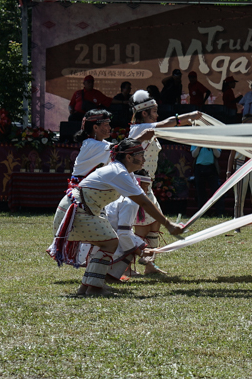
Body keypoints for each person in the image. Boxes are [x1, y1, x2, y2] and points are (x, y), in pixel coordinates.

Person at [48, 139, 182, 296]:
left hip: (81, 210)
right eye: (140, 155)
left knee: (109, 242)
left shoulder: (126, 173)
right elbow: (144, 202)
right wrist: (168, 224)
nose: (144, 159)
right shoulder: (119, 172)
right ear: (129, 158)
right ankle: (94, 288)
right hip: (76, 211)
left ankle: (87, 287)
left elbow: (143, 199)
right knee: (110, 242)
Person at [128, 90, 201, 271]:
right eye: (154, 111)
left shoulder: (144, 130)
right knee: (140, 227)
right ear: (144, 113)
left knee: (154, 224)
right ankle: (128, 267)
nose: (157, 114)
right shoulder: (139, 130)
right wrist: (189, 117)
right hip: (137, 185)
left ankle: (149, 265)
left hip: (146, 184)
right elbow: (166, 123)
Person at [104, 169, 152, 282]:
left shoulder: (119, 195)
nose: (146, 191)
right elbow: (123, 233)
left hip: (102, 238)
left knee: (136, 243)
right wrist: (139, 251)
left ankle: (108, 273)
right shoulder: (130, 202)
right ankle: (110, 276)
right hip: (107, 241)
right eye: (144, 187)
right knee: (133, 246)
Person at [191, 144, 223, 215]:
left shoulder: (214, 141)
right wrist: (199, 145)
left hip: (211, 168)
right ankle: (201, 213)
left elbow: (218, 155)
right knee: (200, 191)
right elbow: (194, 155)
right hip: (199, 168)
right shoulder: (196, 141)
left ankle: (219, 212)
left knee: (215, 191)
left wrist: (212, 145)